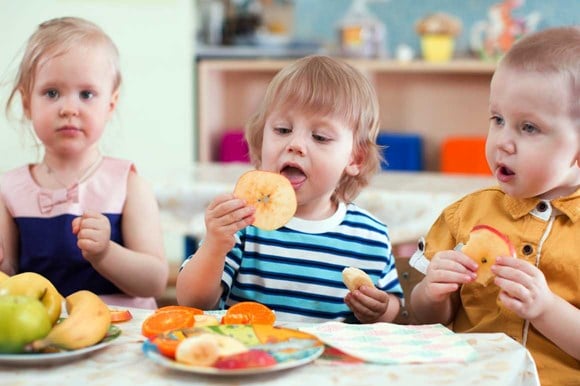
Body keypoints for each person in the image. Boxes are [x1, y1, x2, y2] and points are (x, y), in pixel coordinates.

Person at [409, 27, 580, 385]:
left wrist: (547, 309)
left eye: (528, 128)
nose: (503, 141)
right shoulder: (464, 215)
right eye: (498, 119)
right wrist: (432, 292)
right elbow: (424, 320)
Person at [177, 55, 403, 323]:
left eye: (319, 137)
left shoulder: (371, 235)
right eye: (282, 130)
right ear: (262, 141)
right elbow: (192, 301)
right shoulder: (243, 224)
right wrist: (214, 245)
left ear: (354, 159)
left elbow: (395, 306)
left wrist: (382, 308)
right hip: (253, 357)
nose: (295, 144)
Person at [0, 17, 168, 309]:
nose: (68, 109)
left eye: (86, 94)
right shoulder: (8, 190)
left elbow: (154, 281)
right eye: (51, 93)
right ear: (28, 104)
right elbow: (9, 280)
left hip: (124, 334)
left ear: (110, 105)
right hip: (44, 336)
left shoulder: (127, 184)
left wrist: (105, 253)